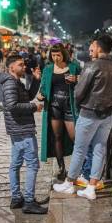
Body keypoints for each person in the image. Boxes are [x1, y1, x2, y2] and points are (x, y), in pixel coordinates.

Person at [53, 35, 112, 201]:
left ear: (99, 48)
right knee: (100, 149)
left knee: (80, 149)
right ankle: (91, 187)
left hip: (89, 113)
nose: (90, 50)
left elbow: (79, 92)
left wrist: (81, 101)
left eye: (92, 47)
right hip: (108, 115)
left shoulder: (92, 66)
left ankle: (69, 183)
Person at [0, 53, 47, 214]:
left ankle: (16, 197)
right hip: (22, 128)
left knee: (16, 163)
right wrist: (35, 107)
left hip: (17, 128)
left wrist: (36, 80)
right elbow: (12, 105)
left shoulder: (15, 82)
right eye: (20, 65)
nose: (24, 67)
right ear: (11, 67)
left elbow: (27, 96)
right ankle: (28, 201)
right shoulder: (10, 83)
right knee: (32, 164)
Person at [37, 44, 81, 181]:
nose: (56, 58)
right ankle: (62, 167)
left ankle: (78, 168)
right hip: (54, 107)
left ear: (64, 55)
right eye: (53, 55)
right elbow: (43, 88)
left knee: (76, 138)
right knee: (57, 137)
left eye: (58, 55)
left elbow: (84, 83)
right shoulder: (48, 69)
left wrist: (77, 79)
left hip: (70, 107)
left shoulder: (73, 67)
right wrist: (40, 95)